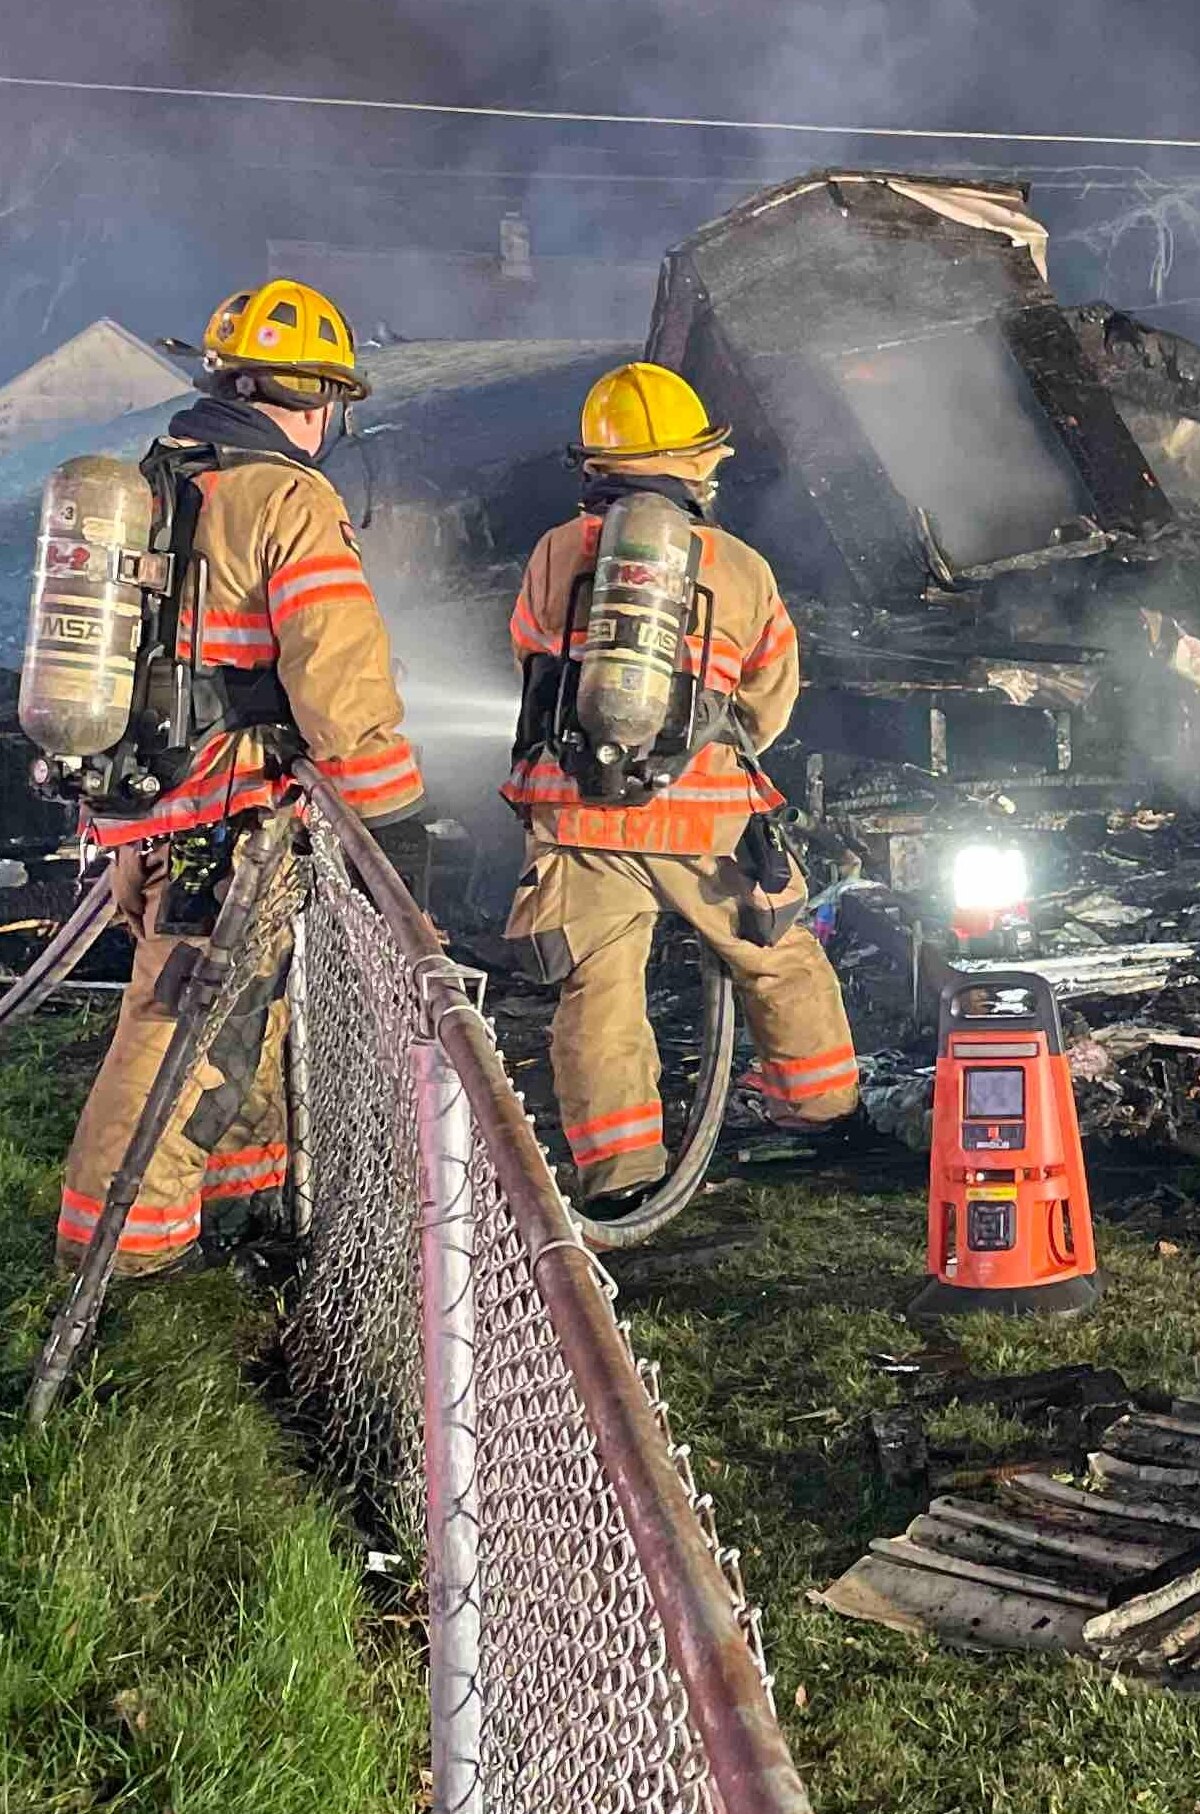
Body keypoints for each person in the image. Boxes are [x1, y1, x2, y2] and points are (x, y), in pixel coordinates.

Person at [57, 280, 425, 1275]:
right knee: (178, 1023)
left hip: (151, 802)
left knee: (239, 1012)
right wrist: (390, 804)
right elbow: (336, 669)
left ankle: (236, 1204)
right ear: (319, 401)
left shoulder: (161, 477)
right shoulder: (288, 496)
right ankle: (118, 1254)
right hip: (233, 808)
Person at [502, 361, 858, 1212]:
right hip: (701, 823)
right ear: (692, 462)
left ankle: (621, 1174)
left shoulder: (557, 550)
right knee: (776, 956)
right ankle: (821, 1111)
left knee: (598, 989)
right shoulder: (737, 564)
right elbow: (770, 694)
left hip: (576, 816)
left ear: (597, 465)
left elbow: (528, 658)